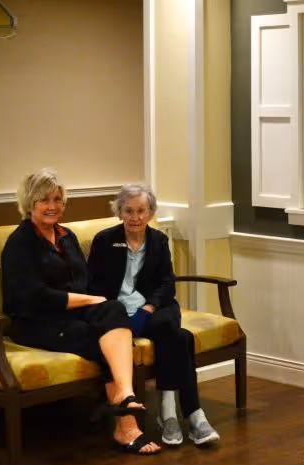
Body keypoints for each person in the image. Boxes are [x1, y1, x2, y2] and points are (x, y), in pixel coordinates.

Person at [1, 169, 160, 456]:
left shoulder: (66, 236)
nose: (53, 206)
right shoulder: (20, 242)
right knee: (97, 341)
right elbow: (31, 296)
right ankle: (127, 428)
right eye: (44, 200)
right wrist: (87, 301)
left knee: (113, 308)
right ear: (29, 203)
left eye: (57, 199)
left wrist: (94, 301)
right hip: (35, 322)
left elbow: (84, 279)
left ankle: (124, 394)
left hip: (70, 314)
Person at [87, 183, 219, 447]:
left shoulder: (158, 240)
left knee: (168, 323)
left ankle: (171, 413)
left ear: (150, 213)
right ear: (119, 212)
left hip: (154, 307)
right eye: (129, 211)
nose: (135, 218)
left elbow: (167, 282)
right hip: (120, 313)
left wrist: (149, 308)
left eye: (141, 211)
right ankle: (189, 413)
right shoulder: (105, 240)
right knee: (181, 338)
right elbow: (94, 286)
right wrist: (118, 311)